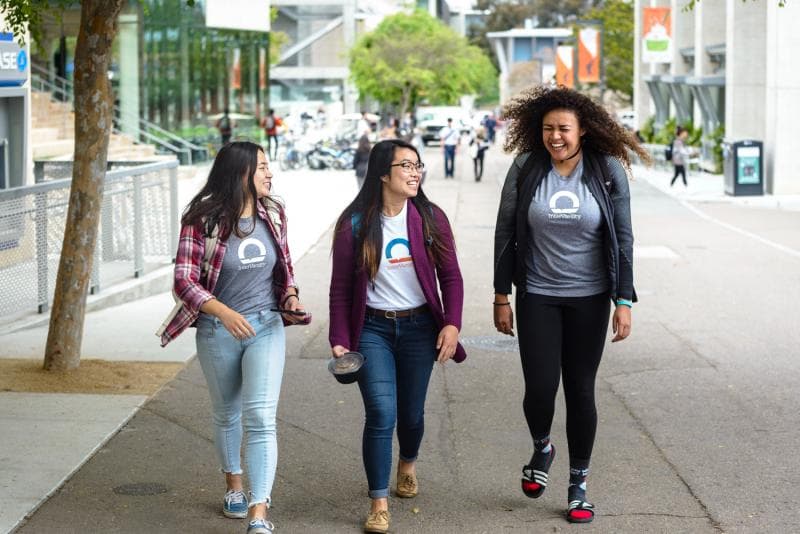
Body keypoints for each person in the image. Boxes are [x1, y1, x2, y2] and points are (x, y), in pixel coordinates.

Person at [492, 86, 648, 524]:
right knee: (540, 390)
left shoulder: (605, 170)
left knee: (580, 390)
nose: (555, 137)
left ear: (583, 130)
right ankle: (543, 447)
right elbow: (505, 231)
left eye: (563, 128)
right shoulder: (526, 167)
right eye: (547, 129)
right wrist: (501, 294)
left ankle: (578, 484)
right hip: (538, 293)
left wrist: (623, 299)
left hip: (590, 297)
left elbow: (623, 237)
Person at [159, 141, 310, 534]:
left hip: (266, 326)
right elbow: (183, 280)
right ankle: (234, 485)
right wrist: (223, 313)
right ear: (240, 171)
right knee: (227, 412)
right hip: (217, 329)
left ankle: (259, 513)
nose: (269, 173)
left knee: (260, 417)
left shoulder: (273, 213)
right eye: (262, 166)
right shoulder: (202, 219)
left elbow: (286, 267)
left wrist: (290, 296)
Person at [329, 139, 466, 533]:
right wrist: (340, 337)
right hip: (372, 329)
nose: (414, 172)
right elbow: (340, 287)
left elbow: (451, 277)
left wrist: (451, 324)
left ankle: (407, 462)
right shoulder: (353, 222)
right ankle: (378, 502)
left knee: (411, 414)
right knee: (381, 413)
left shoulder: (430, 218)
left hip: (420, 328)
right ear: (383, 174)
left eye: (417, 165)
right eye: (405, 165)